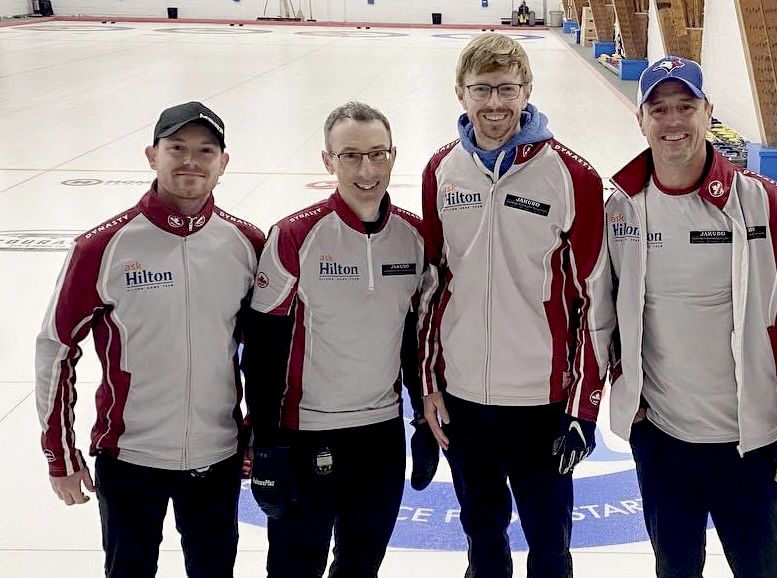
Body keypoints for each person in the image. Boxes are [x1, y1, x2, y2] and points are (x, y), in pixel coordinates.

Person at [605, 56, 777, 577]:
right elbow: (601, 312)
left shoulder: (765, 204)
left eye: (686, 106)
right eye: (659, 109)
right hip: (662, 444)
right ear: (641, 118)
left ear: (708, 112)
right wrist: (624, 393)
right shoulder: (621, 206)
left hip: (750, 448)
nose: (673, 121)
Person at [35, 101, 265, 578]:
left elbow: (266, 353)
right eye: (176, 147)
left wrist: (256, 434)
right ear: (151, 154)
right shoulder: (103, 247)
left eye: (205, 150)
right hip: (129, 456)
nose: (190, 161)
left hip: (216, 456)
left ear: (224, 163)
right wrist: (60, 454)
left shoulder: (247, 244)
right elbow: (56, 349)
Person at [418, 33, 614, 577]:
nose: (495, 104)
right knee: (482, 537)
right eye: (482, 89)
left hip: (542, 401)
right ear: (461, 93)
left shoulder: (572, 176)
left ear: (527, 89)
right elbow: (434, 286)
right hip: (464, 399)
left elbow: (594, 298)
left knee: (550, 545)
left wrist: (583, 408)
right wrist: (430, 386)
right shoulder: (441, 170)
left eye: (507, 88)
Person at [243, 101, 438, 578]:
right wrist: (267, 441)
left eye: (377, 154)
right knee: (295, 565)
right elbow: (263, 348)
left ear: (394, 155)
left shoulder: (415, 237)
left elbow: (416, 340)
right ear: (328, 161)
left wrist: (419, 418)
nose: (366, 169)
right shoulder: (295, 235)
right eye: (350, 155)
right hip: (306, 433)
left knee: (362, 563)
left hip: (380, 435)